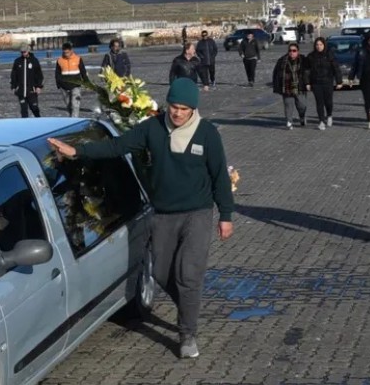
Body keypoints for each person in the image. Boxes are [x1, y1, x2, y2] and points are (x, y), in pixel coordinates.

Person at [46, 77, 234, 359]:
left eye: (184, 109)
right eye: (174, 107)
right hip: (163, 214)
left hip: (198, 212)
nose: (178, 113)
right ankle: (188, 303)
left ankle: (187, 334)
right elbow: (116, 147)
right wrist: (76, 151)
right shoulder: (152, 129)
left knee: (188, 274)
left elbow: (220, 175)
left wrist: (226, 215)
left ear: (193, 109)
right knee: (159, 272)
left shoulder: (207, 134)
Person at [306, 37, 343, 130]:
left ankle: (329, 115)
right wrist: (307, 82)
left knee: (328, 102)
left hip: (327, 82)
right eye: (317, 45)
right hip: (316, 82)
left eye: (320, 45)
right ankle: (321, 121)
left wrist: (339, 81)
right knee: (319, 102)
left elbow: (336, 68)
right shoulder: (311, 56)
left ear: (324, 45)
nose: (319, 47)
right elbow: (307, 71)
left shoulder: (329, 55)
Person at [272, 43, 310, 130]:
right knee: (288, 105)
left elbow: (308, 72)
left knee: (302, 105)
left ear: (298, 51)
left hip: (299, 86)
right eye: (290, 51)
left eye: (294, 51)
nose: (292, 52)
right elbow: (276, 74)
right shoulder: (282, 61)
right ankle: (289, 121)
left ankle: (302, 116)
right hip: (287, 87)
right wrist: (276, 86)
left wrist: (308, 83)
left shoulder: (303, 60)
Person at [55, 42, 89, 117]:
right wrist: (58, 85)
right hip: (64, 87)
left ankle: (75, 120)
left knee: (75, 105)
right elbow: (57, 73)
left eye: (67, 52)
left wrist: (87, 82)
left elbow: (83, 71)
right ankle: (71, 118)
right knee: (68, 106)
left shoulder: (78, 59)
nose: (66, 54)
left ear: (71, 51)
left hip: (76, 85)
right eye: (64, 52)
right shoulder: (59, 60)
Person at [11, 44, 44, 118]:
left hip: (32, 90)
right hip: (21, 90)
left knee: (34, 108)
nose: (23, 53)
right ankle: (25, 125)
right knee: (23, 110)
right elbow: (13, 75)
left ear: (28, 51)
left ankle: (39, 122)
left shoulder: (34, 61)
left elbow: (39, 75)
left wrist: (39, 86)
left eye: (24, 52)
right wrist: (13, 86)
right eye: (22, 52)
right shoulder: (17, 61)